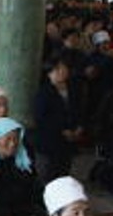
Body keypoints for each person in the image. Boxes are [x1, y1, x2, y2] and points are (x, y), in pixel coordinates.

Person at [34, 52, 85, 182]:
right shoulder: (44, 92)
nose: (62, 71)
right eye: (57, 69)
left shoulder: (73, 88)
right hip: (51, 140)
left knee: (64, 171)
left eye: (63, 67)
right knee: (49, 174)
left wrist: (79, 127)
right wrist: (62, 130)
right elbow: (41, 118)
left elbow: (79, 109)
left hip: (70, 139)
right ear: (49, 73)